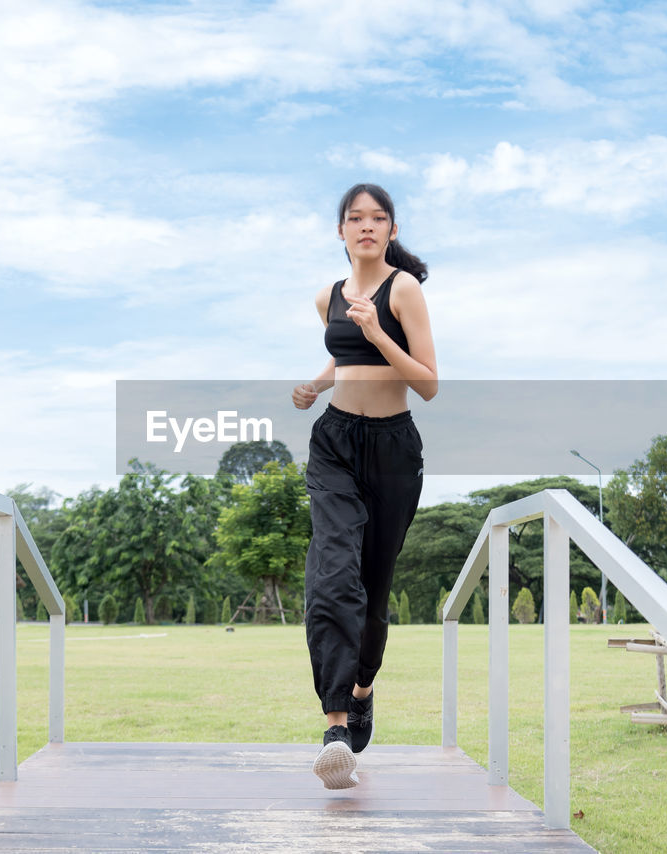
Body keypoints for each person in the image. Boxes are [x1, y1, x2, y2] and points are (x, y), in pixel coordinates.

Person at [291, 183, 438, 789]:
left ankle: (363, 689)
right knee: (331, 574)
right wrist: (317, 385)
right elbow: (344, 357)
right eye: (356, 218)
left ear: (393, 231)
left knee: (373, 593)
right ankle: (334, 729)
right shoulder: (326, 296)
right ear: (341, 231)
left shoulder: (403, 290)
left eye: (379, 218)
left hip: (393, 452)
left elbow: (428, 382)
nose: (367, 227)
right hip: (334, 445)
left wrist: (381, 334)